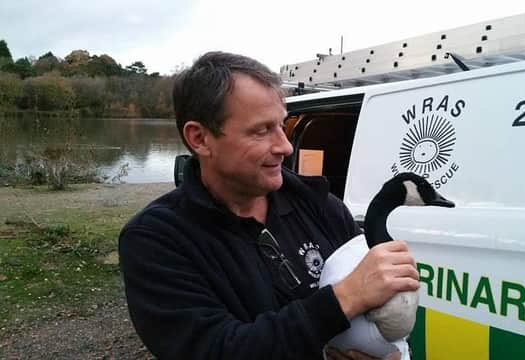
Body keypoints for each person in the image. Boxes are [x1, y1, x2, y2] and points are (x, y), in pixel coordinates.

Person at [118, 51, 420, 359]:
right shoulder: (156, 239)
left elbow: (371, 317)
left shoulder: (322, 207)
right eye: (262, 130)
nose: (285, 146)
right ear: (200, 139)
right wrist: (344, 298)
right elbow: (216, 349)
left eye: (282, 125)